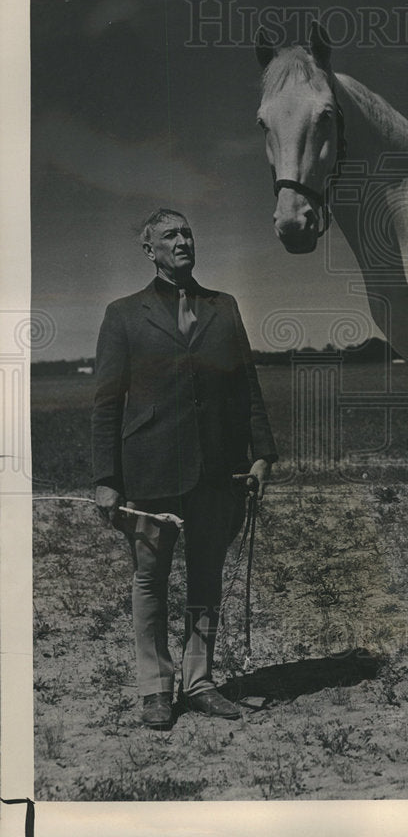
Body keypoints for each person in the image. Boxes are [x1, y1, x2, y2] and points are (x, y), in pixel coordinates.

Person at [92, 208, 277, 730]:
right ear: (148, 250)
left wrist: (261, 452)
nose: (183, 241)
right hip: (148, 469)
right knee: (149, 578)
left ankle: (199, 682)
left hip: (219, 470)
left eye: (188, 232)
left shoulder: (224, 307)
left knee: (206, 577)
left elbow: (247, 387)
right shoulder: (123, 314)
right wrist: (106, 477)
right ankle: (155, 689)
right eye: (170, 235)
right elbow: (107, 403)